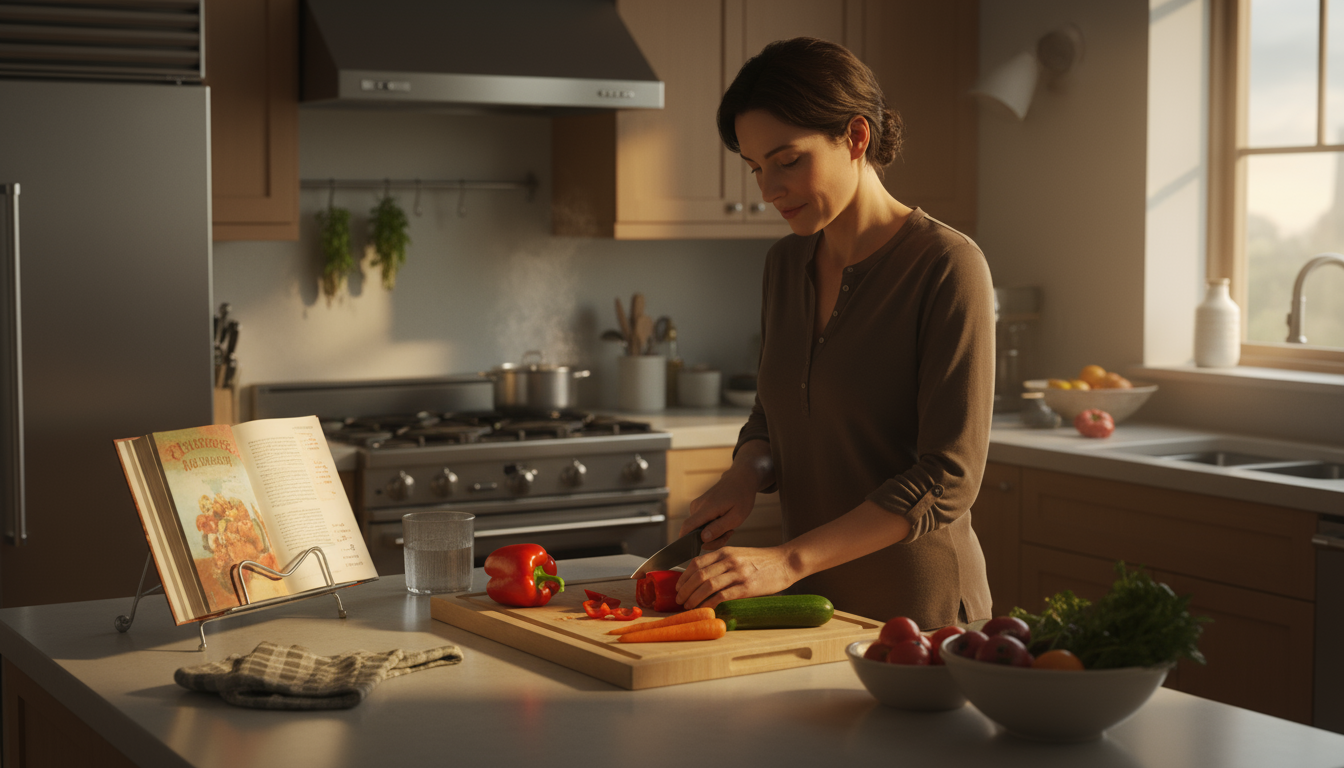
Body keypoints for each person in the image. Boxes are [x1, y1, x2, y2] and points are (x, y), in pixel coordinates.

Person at [673, 37, 995, 630]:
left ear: (855, 137)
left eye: (788, 160)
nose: (768, 190)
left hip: (920, 616)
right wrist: (746, 474)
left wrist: (787, 560)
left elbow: (948, 477)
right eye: (756, 167)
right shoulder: (784, 264)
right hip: (811, 608)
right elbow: (774, 411)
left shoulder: (948, 266)